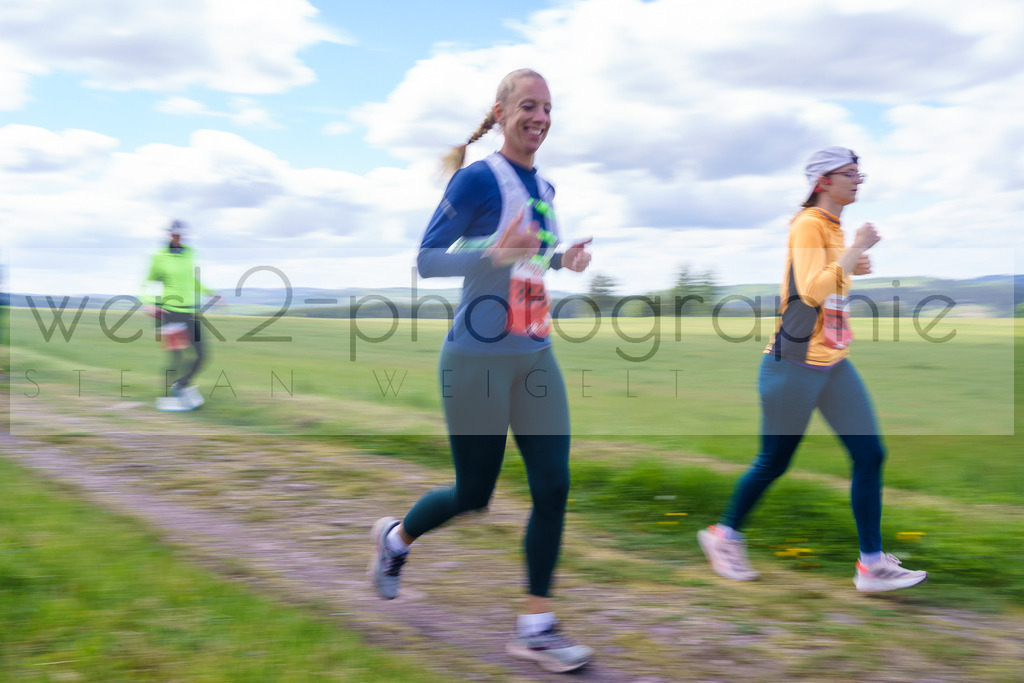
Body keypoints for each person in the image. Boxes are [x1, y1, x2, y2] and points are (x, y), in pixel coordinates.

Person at [369, 68, 595, 673]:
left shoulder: (545, 185)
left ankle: (535, 627)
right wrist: (493, 252)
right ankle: (395, 540)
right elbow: (426, 259)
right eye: (528, 106)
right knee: (474, 494)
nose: (540, 118)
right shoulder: (476, 179)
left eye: (547, 108)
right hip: (476, 359)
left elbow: (529, 259)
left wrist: (563, 260)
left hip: (534, 352)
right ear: (499, 114)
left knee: (554, 487)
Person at [697, 147, 929, 593]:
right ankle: (723, 536)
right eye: (850, 173)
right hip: (794, 365)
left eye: (860, 173)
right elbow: (811, 292)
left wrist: (853, 259)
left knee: (870, 454)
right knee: (773, 462)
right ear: (824, 181)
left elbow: (832, 281)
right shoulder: (807, 224)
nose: (858, 180)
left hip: (833, 361)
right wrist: (855, 251)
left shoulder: (832, 227)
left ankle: (872, 565)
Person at [141, 219, 217, 411]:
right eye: (175, 233)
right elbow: (145, 284)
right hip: (169, 313)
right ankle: (166, 397)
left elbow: (191, 279)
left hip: (189, 311)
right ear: (169, 234)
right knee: (176, 358)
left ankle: (180, 385)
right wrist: (148, 303)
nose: (178, 236)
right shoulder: (159, 256)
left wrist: (210, 293)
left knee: (202, 355)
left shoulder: (191, 253)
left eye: (181, 233)